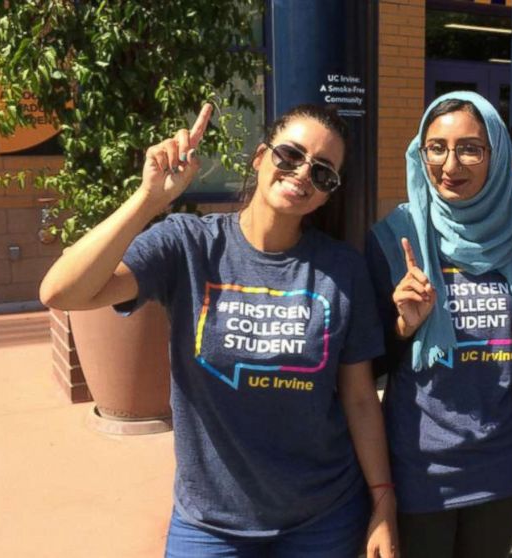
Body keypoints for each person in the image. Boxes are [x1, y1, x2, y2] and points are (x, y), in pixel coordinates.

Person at [39, 103, 397, 558]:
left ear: (328, 194)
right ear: (260, 157)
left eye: (324, 172)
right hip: (211, 523)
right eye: (291, 155)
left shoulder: (341, 268)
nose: (304, 173)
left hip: (322, 517)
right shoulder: (189, 244)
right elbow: (61, 292)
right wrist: (149, 199)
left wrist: (383, 501)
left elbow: (360, 398)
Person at [364, 91, 512, 558]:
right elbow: (365, 367)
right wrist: (404, 327)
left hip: (504, 469)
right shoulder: (392, 238)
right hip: (421, 468)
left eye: (470, 148)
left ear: (496, 154)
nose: (450, 164)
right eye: (436, 148)